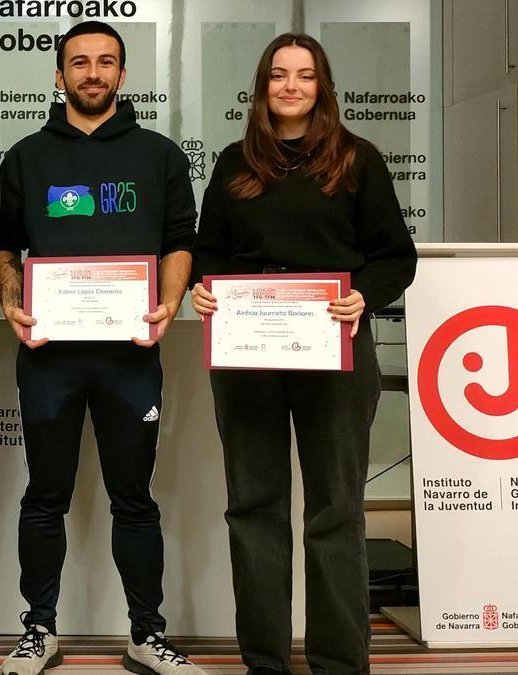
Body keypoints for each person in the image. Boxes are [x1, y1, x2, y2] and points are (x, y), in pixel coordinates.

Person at [190, 34, 417, 675]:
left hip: (336, 346)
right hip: (247, 351)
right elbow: (208, 250)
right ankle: (265, 659)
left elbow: (395, 255)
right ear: (263, 85)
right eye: (280, 75)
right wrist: (205, 291)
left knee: (336, 509)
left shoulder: (357, 160)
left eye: (305, 76)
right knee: (254, 507)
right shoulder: (236, 162)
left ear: (323, 86)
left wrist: (364, 297)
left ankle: (340, 662)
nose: (291, 86)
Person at [0, 21, 208, 675]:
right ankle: (39, 629)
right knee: (45, 494)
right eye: (79, 63)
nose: (92, 72)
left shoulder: (160, 156)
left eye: (106, 62)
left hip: (131, 355)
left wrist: (168, 302)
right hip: (49, 355)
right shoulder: (25, 156)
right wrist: (9, 299)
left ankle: (147, 632)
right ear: (59, 76)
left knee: (134, 497)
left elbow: (179, 241)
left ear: (121, 74)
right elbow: (5, 247)